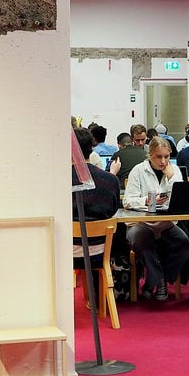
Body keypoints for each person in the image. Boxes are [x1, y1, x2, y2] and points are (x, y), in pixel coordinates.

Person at [123, 137, 189, 301]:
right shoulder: (138, 170)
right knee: (142, 241)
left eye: (166, 157)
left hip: (165, 223)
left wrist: (170, 179)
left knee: (184, 245)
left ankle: (154, 279)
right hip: (141, 222)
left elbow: (179, 198)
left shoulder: (174, 170)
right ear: (150, 155)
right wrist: (146, 201)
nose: (163, 161)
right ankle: (159, 280)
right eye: (158, 157)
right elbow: (128, 200)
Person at [72, 128, 121, 298]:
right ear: (91, 148)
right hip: (101, 251)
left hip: (67, 252)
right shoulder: (110, 180)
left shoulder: (58, 180)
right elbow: (113, 210)